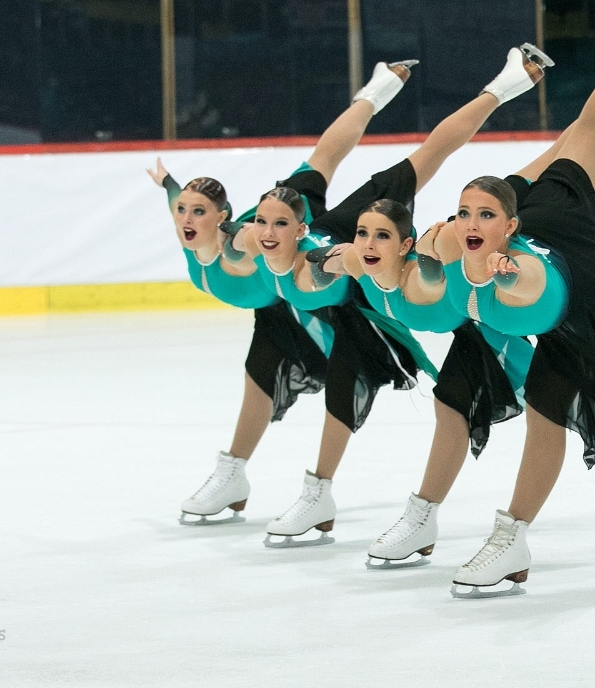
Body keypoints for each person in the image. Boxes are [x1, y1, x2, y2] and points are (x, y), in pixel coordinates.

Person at [418, 0, 595, 597]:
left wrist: (501, 270)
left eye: (483, 217)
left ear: (508, 227)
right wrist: (435, 242)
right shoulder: (455, 236)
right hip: (535, 225)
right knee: (572, 139)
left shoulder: (515, 266)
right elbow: (435, 246)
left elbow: (521, 280)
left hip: (575, 281)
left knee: (589, 130)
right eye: (464, 215)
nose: (470, 224)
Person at [226, 50, 553, 546]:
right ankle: (380, 86)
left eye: (277, 226)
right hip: (364, 283)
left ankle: (508, 85)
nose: (266, 233)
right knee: (324, 164)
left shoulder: (371, 256)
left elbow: (435, 166)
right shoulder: (267, 234)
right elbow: (322, 162)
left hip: (396, 295)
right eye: (260, 225)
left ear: (302, 228)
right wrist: (375, 93)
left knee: (463, 169)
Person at [146, 58, 416, 526]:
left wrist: (378, 90)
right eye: (182, 210)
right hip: (280, 304)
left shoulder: (251, 240)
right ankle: (232, 475)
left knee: (332, 163)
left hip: (316, 284)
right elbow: (178, 200)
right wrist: (169, 183)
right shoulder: (191, 232)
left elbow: (321, 165)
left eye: (198, 212)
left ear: (223, 218)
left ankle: (318, 492)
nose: (186, 219)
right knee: (258, 375)